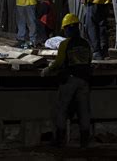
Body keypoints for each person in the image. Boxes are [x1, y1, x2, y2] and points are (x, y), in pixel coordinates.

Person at [40, 13, 92, 148]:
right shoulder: (86, 44)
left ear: (67, 28)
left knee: (61, 109)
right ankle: (84, 142)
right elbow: (89, 61)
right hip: (84, 81)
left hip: (70, 80)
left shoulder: (65, 43)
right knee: (84, 111)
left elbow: (58, 62)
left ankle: (59, 139)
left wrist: (47, 70)